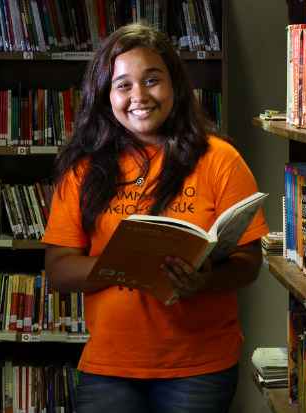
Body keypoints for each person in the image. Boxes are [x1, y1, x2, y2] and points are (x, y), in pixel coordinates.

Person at [42, 23, 269, 413]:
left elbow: (249, 263)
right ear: (105, 95)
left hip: (199, 367)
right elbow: (59, 270)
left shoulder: (220, 159)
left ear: (175, 87)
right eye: (123, 85)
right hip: (110, 366)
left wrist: (204, 280)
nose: (139, 96)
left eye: (152, 80)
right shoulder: (83, 170)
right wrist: (125, 265)